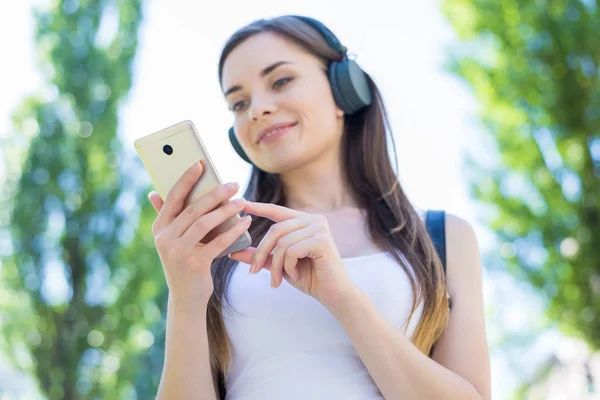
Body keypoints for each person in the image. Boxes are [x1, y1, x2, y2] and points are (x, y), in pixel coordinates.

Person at [148, 15, 491, 400]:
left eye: (280, 81)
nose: (257, 110)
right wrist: (185, 298)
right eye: (239, 102)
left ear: (344, 89)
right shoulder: (221, 248)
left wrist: (342, 296)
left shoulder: (444, 237)